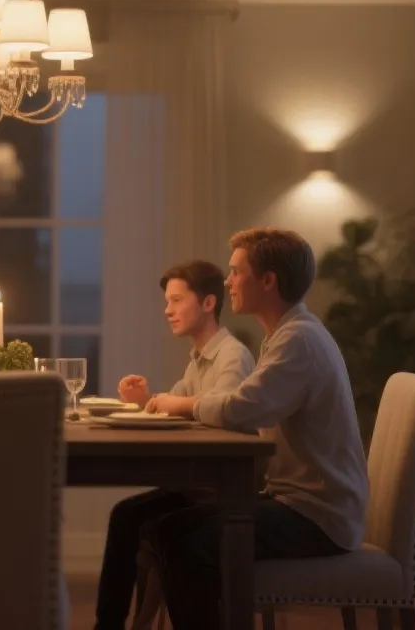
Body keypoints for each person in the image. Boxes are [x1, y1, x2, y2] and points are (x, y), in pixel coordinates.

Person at [139, 228, 369, 630]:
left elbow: (242, 409)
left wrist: (181, 404)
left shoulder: (299, 340)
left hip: (317, 518)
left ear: (268, 281)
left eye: (236, 272)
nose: (228, 282)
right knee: (168, 527)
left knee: (182, 538)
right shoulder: (286, 335)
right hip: (300, 504)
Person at [94, 260, 255, 630]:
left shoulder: (231, 356)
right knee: (126, 516)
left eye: (177, 300)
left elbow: (224, 419)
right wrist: (146, 400)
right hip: (199, 483)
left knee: (149, 524)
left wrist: (167, 404)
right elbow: (178, 409)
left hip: (220, 488)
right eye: (167, 301)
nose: (168, 310)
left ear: (209, 303)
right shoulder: (198, 358)